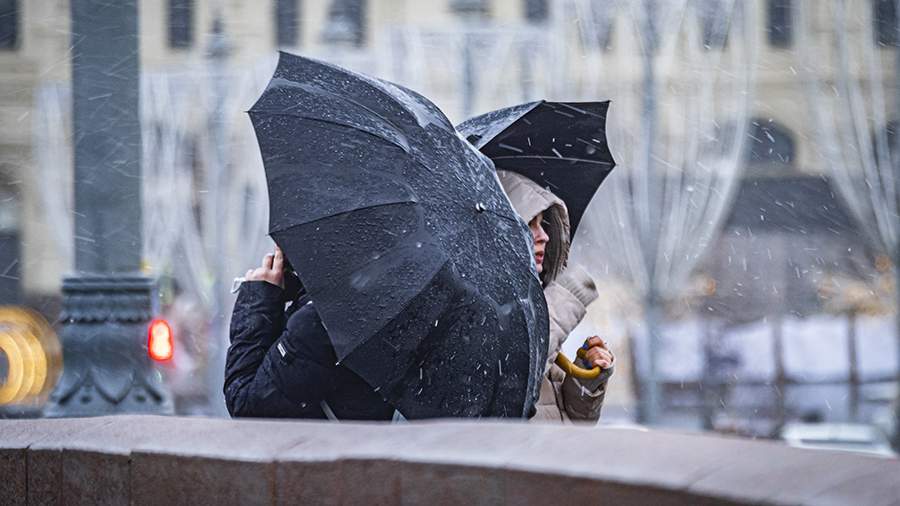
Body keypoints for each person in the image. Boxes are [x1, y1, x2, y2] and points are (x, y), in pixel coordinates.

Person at [223, 247, 394, 420]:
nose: (276, 248)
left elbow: (245, 404)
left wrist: (257, 300)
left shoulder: (322, 318)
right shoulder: (382, 294)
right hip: (376, 441)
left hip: (324, 444)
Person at [497, 170, 615, 423]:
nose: (545, 236)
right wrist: (566, 298)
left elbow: (570, 424)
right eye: (531, 224)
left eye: (543, 223)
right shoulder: (488, 309)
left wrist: (585, 378)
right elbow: (511, 382)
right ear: (501, 232)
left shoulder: (529, 299)